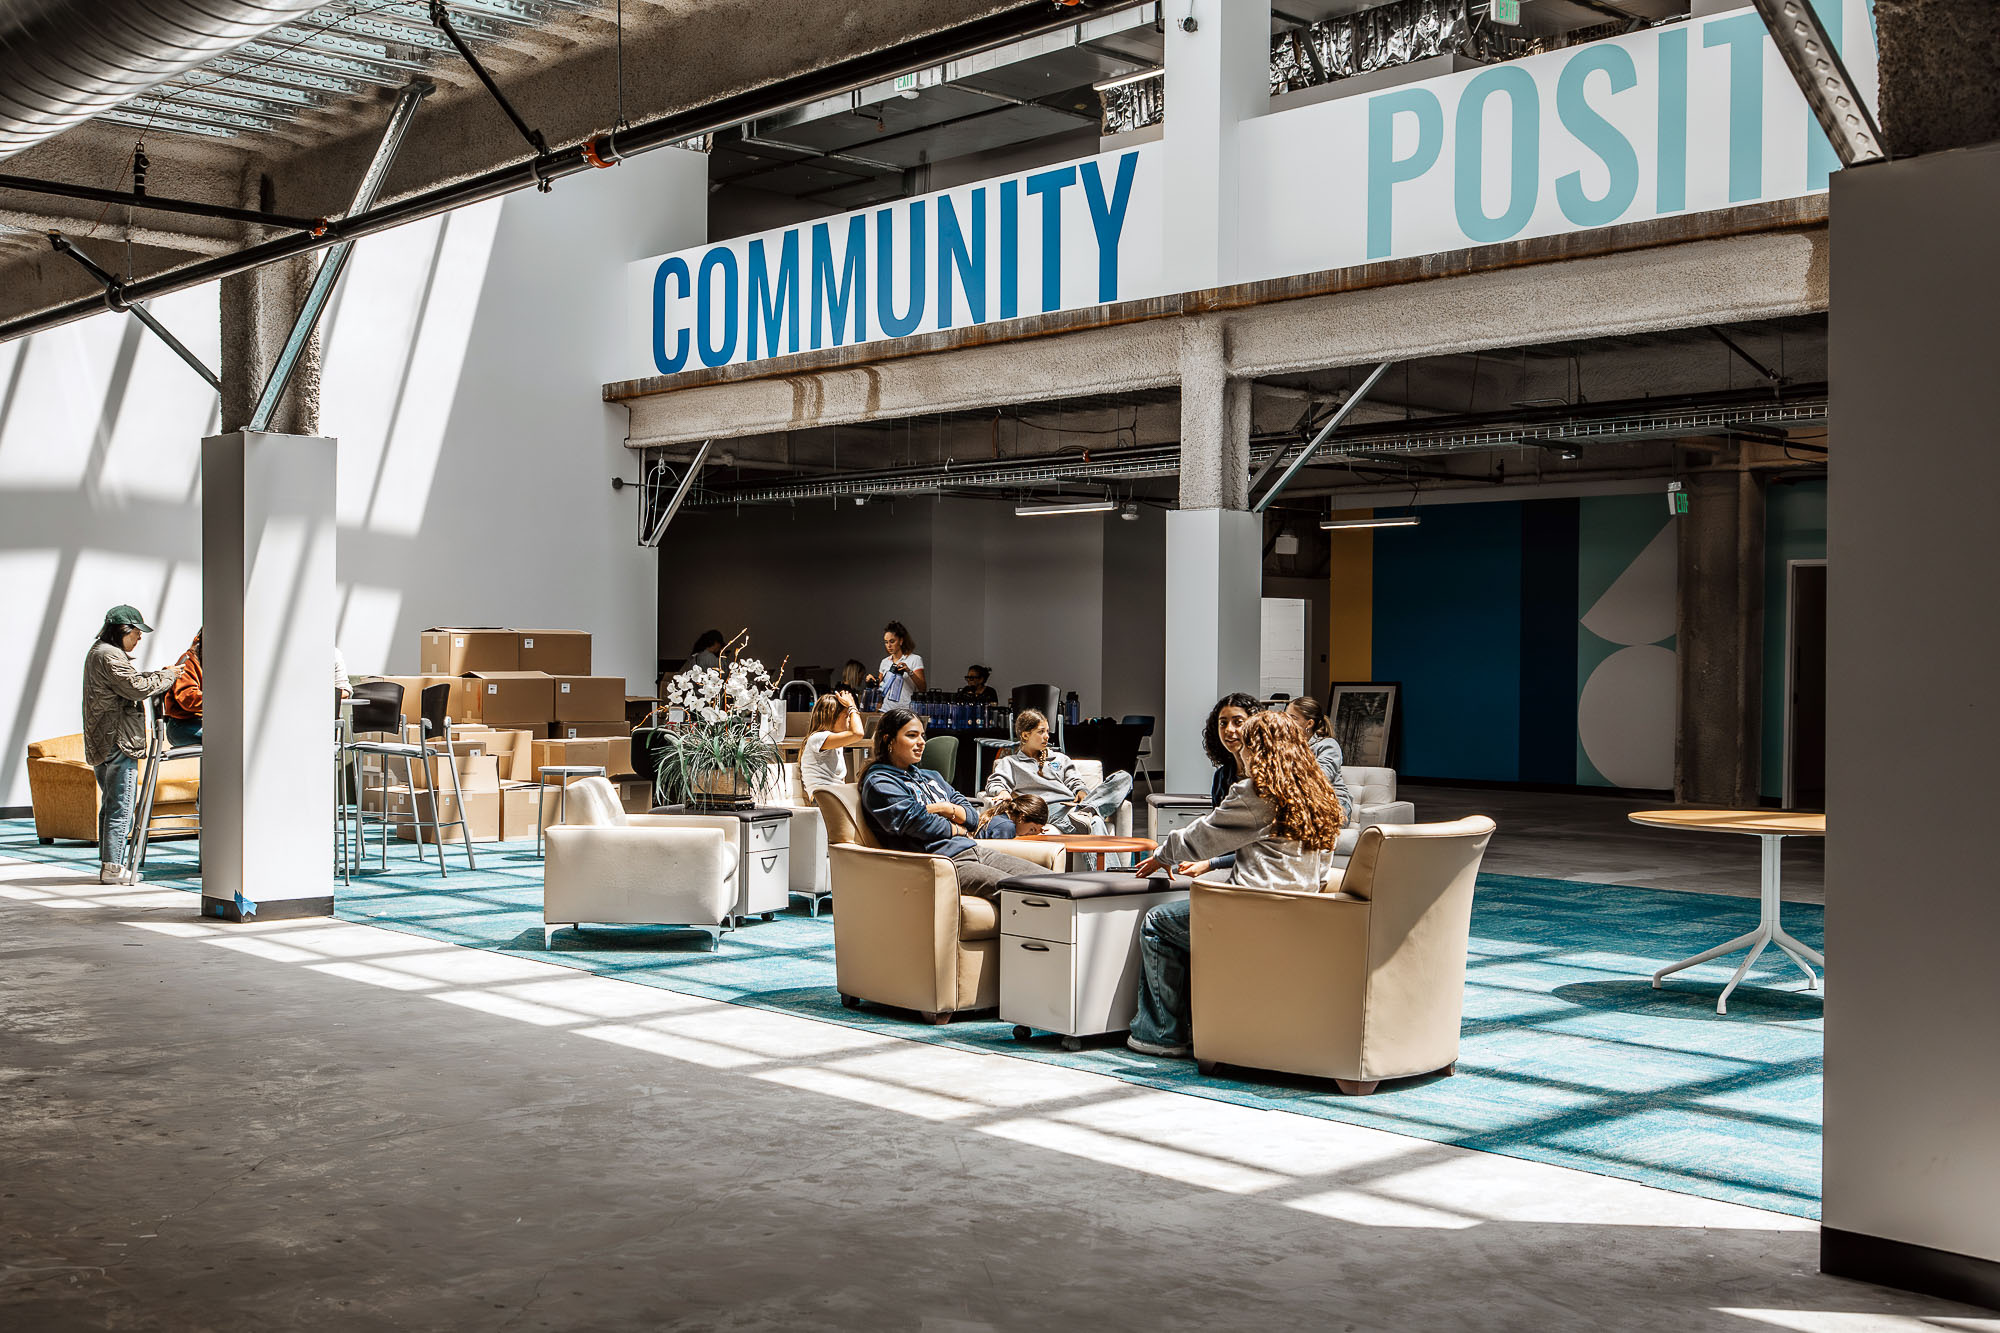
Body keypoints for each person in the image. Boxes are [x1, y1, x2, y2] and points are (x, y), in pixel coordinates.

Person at [1126, 710, 1345, 1058]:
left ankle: (1161, 1035)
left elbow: (1201, 837)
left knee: (1158, 923)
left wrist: (1162, 855)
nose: (1240, 751)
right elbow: (1321, 872)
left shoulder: (1256, 793)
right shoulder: (1318, 795)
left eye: (1244, 744)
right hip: (1303, 915)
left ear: (1257, 749)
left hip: (1251, 914)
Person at [860, 707, 1045, 898]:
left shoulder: (931, 777)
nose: (921, 742)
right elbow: (917, 822)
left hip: (974, 850)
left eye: (922, 736)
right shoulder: (880, 782)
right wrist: (958, 828)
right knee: (1025, 892)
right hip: (943, 862)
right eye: (912, 735)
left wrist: (945, 808)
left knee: (1051, 882)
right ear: (888, 740)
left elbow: (973, 817)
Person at [82, 606, 179, 886]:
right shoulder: (109, 656)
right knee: (121, 805)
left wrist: (157, 675)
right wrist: (169, 677)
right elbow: (135, 688)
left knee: (111, 802)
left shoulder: (100, 652)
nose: (139, 638)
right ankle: (112, 868)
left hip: (104, 739)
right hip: (119, 740)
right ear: (122, 631)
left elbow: (129, 682)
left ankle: (108, 863)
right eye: (137, 632)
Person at [983, 708, 1131, 834]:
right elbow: (996, 782)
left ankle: (1089, 808)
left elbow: (1075, 781)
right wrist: (1001, 792)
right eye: (1041, 732)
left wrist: (1081, 791)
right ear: (1025, 735)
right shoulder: (1011, 762)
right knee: (1096, 822)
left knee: (1124, 777)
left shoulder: (1060, 759)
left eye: (1047, 731)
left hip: (1071, 806)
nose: (1047, 736)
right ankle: (1089, 813)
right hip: (1046, 809)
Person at [1284, 695, 1355, 825]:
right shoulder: (1287, 746)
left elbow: (1320, 778)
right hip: (1301, 803)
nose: (1286, 722)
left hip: (1334, 804)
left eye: (1292, 718)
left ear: (1309, 723)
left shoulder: (1327, 745)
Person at [800, 689, 868, 798]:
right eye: (847, 716)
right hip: (824, 799)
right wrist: (852, 706)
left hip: (835, 796)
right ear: (832, 717)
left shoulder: (834, 743)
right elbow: (858, 733)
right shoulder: (818, 738)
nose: (850, 720)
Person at [866, 621, 925, 707]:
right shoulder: (884, 662)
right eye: (886, 642)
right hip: (885, 710)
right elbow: (880, 688)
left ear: (901, 641)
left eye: (892, 641)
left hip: (906, 710)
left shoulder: (915, 659)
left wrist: (909, 671)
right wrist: (872, 682)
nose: (889, 645)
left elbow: (922, 688)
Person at [162, 630, 203, 748]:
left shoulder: (203, 662)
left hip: (193, 723)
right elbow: (188, 698)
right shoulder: (188, 661)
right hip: (181, 727)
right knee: (225, 735)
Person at [977, 793, 1049, 840]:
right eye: (1032, 829)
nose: (1031, 834)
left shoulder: (1001, 819)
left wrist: (1038, 829)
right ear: (1021, 817)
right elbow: (1001, 859)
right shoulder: (1006, 827)